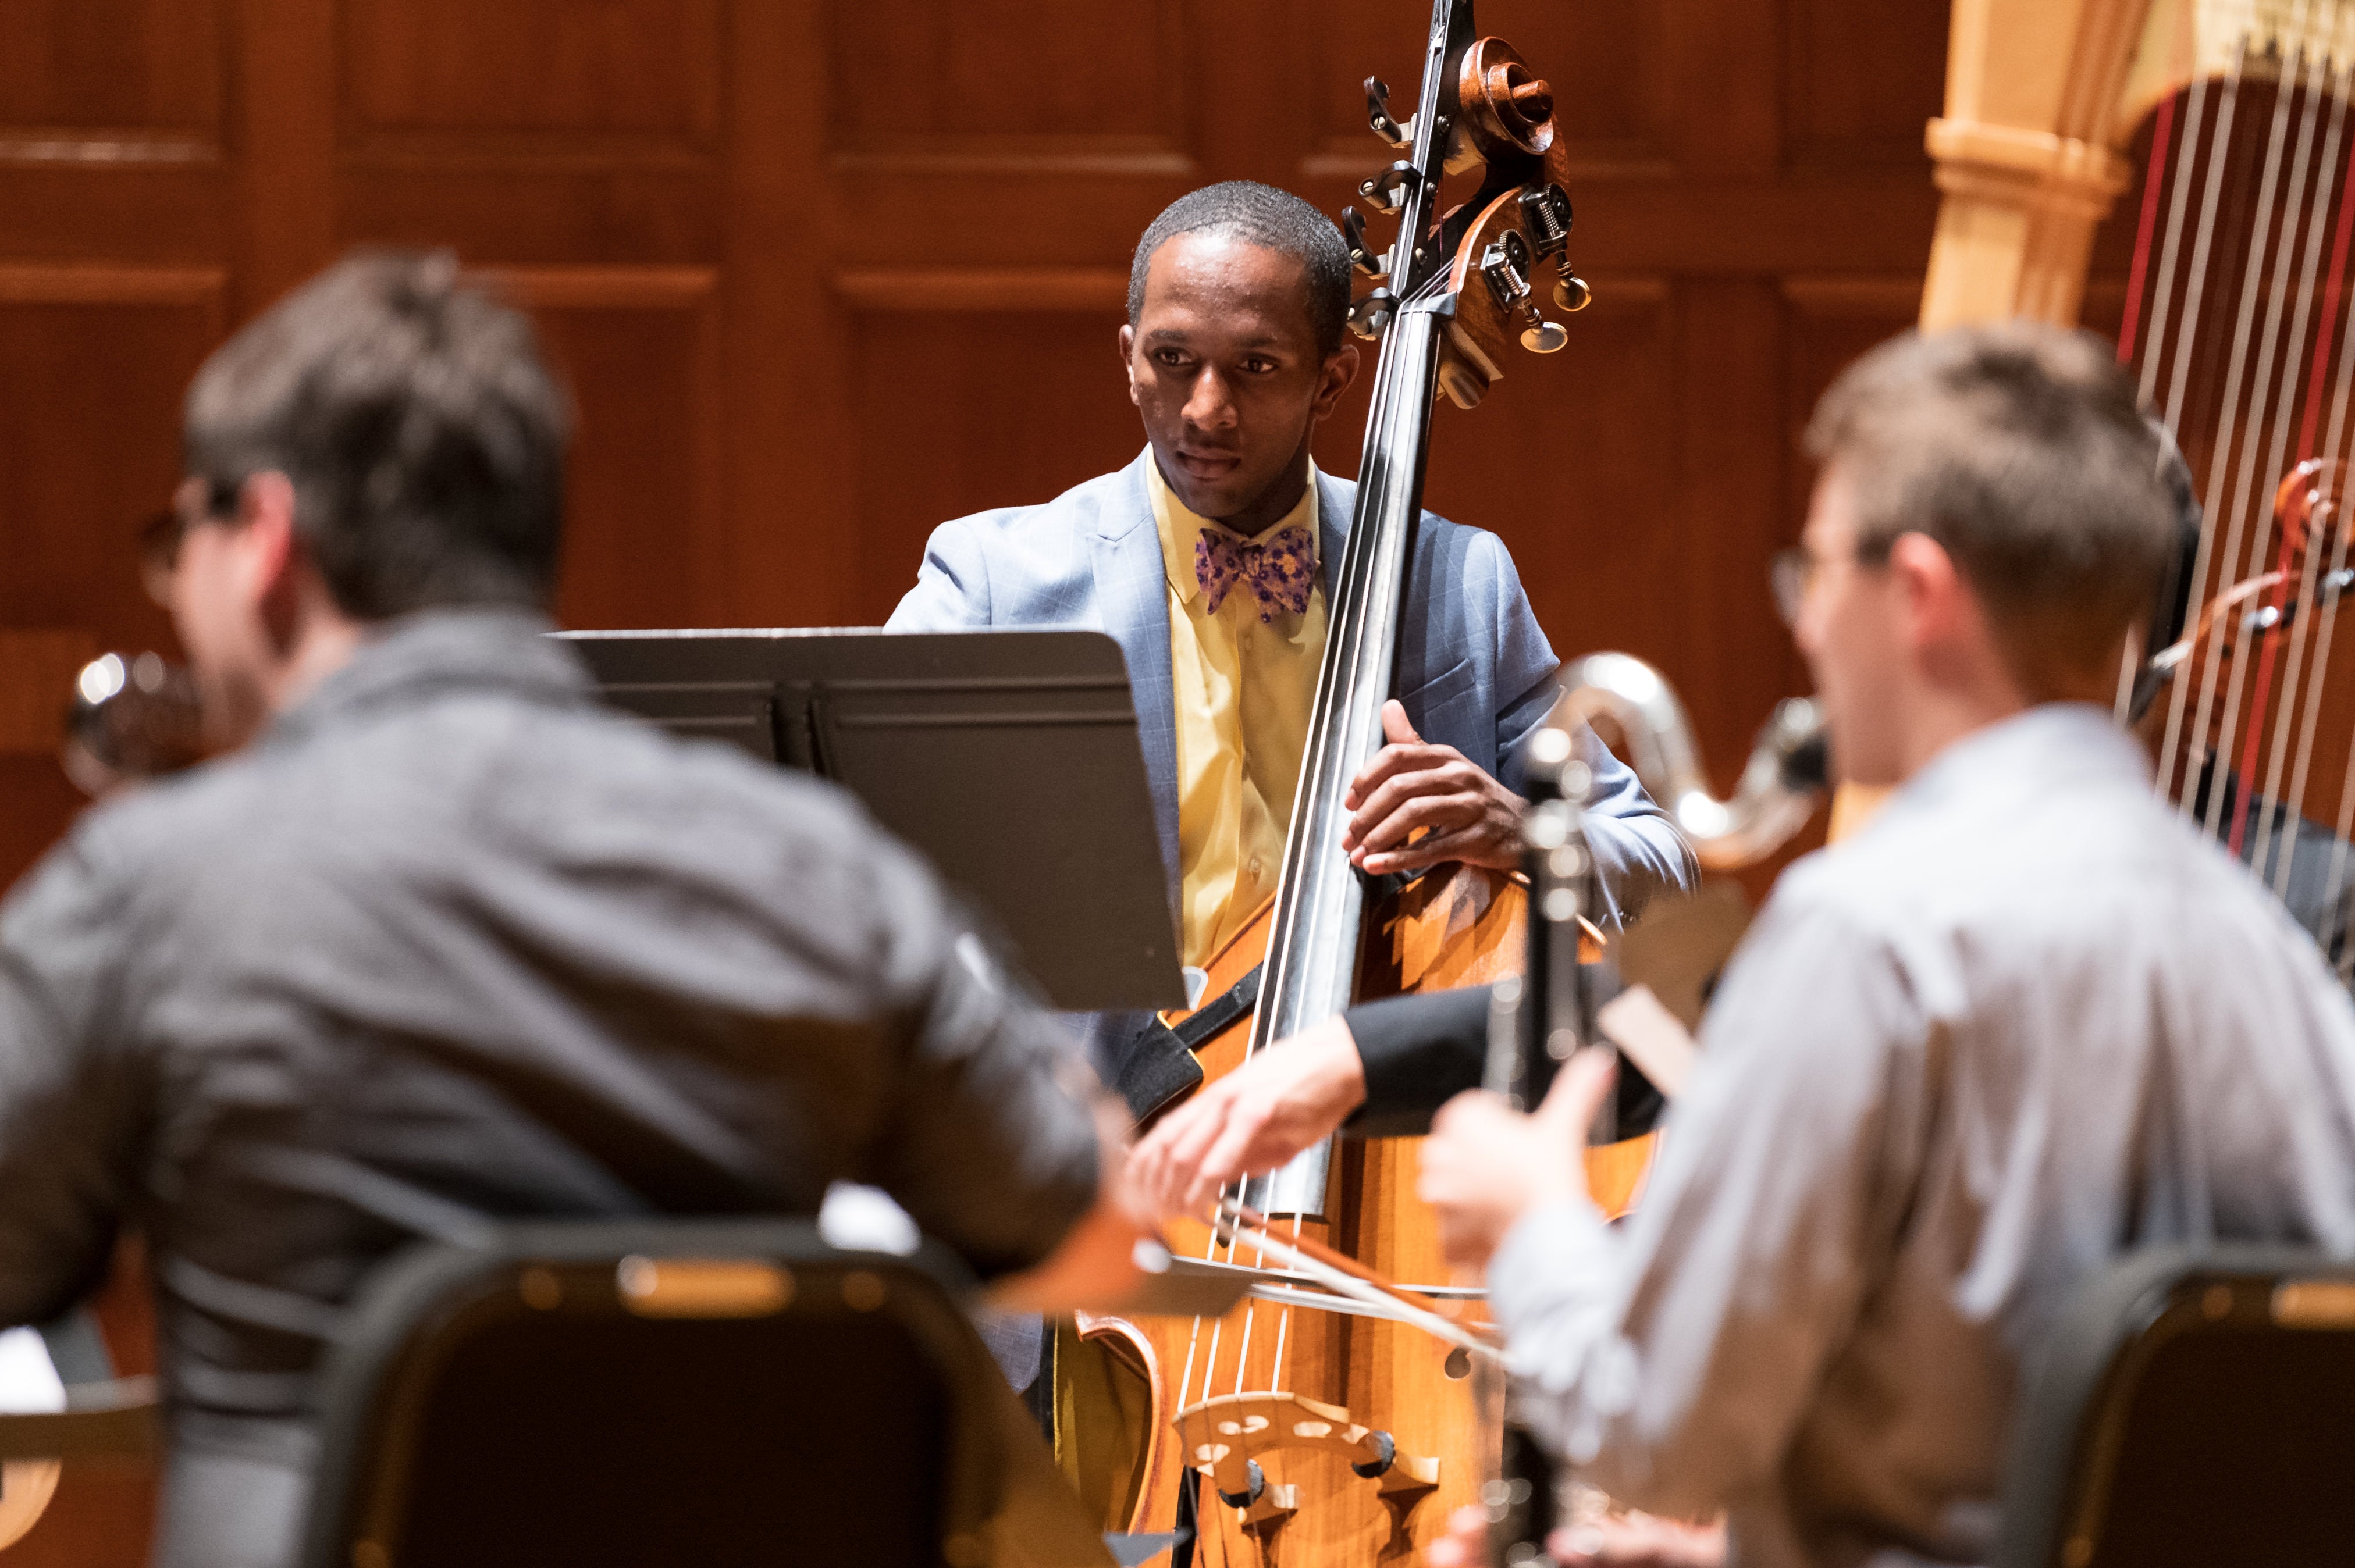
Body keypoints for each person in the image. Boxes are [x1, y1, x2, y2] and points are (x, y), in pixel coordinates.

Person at [1144, 322, 2355, 1567]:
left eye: (1813, 572)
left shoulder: (1870, 933)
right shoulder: (2260, 951)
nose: (1806, 626)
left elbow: (1651, 1431)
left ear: (1918, 596)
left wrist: (1532, 1224)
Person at [0, 252, 1140, 1568]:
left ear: (261, 540)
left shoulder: (155, 889)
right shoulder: (814, 876)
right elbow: (1096, 1239)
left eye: (173, 544)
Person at [885, 180, 1697, 1124]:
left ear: (1333, 379)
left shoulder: (1456, 582)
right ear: (1128, 358)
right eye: (1173, 360)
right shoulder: (995, 582)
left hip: (1366, 1133)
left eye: (1257, 367)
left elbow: (1661, 865)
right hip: (1085, 1141)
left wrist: (1526, 831)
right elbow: (860, 868)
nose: (1205, 410)